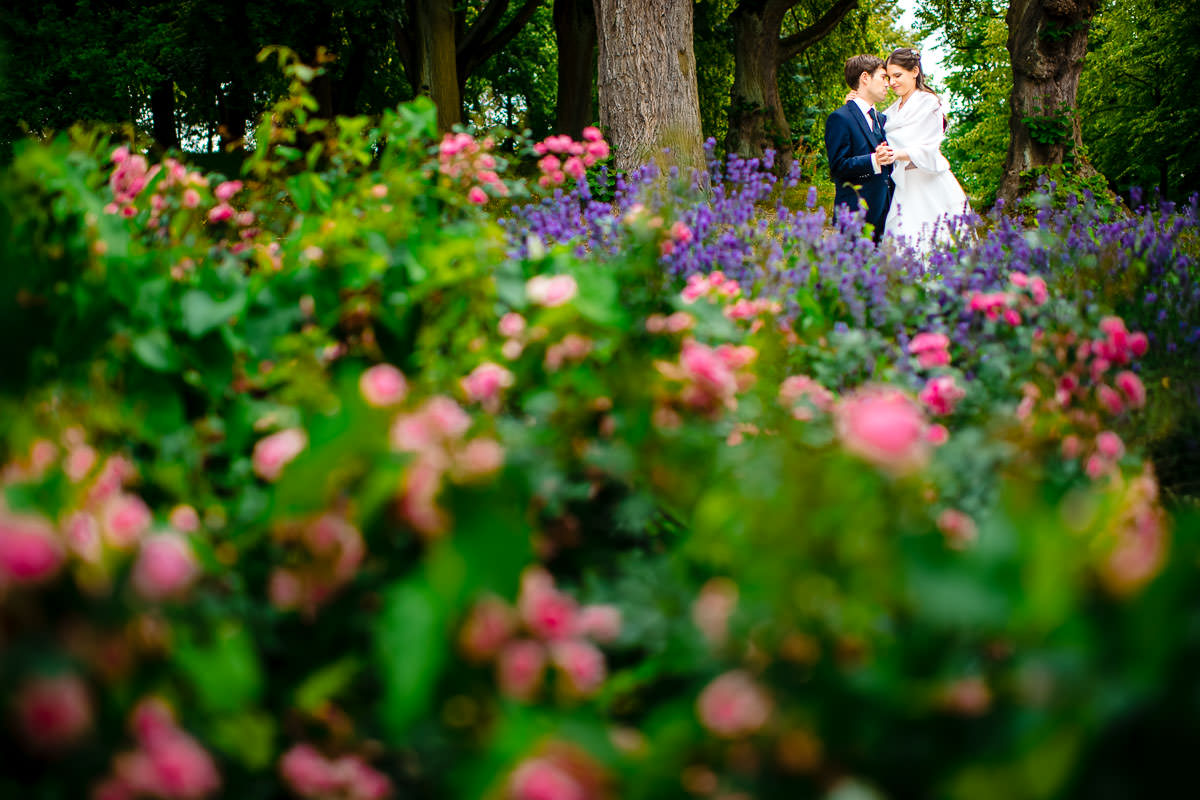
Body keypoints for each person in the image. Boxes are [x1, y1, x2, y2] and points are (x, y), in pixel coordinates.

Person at [850, 48, 970, 252]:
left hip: (928, 183)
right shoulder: (891, 111)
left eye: (898, 75)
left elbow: (928, 148)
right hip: (903, 186)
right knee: (901, 243)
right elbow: (873, 130)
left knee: (934, 243)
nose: (892, 82)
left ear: (914, 71)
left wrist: (895, 154)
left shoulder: (929, 102)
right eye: (889, 77)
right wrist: (855, 104)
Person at [824, 55, 896, 242]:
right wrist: (874, 160)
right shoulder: (840, 118)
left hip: (886, 213)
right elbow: (838, 166)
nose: (888, 84)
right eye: (883, 77)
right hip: (855, 215)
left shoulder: (882, 119)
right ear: (865, 78)